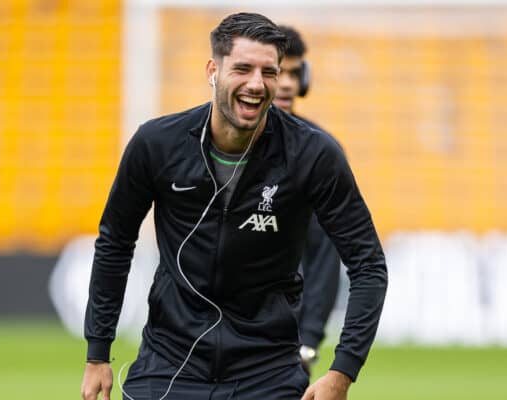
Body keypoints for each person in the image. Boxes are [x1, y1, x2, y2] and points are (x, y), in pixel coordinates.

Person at [81, 12, 387, 400]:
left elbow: (368, 264)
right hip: (168, 365)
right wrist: (97, 352)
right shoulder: (157, 144)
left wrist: (342, 371)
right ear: (213, 69)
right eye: (243, 68)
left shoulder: (313, 154)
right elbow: (115, 242)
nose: (256, 84)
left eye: (269, 72)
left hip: (269, 373)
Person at [275, 25, 342, 376]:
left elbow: (326, 255)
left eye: (295, 72)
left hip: (287, 340)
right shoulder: (217, 147)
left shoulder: (319, 151)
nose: (287, 83)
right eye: (279, 71)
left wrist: (310, 338)